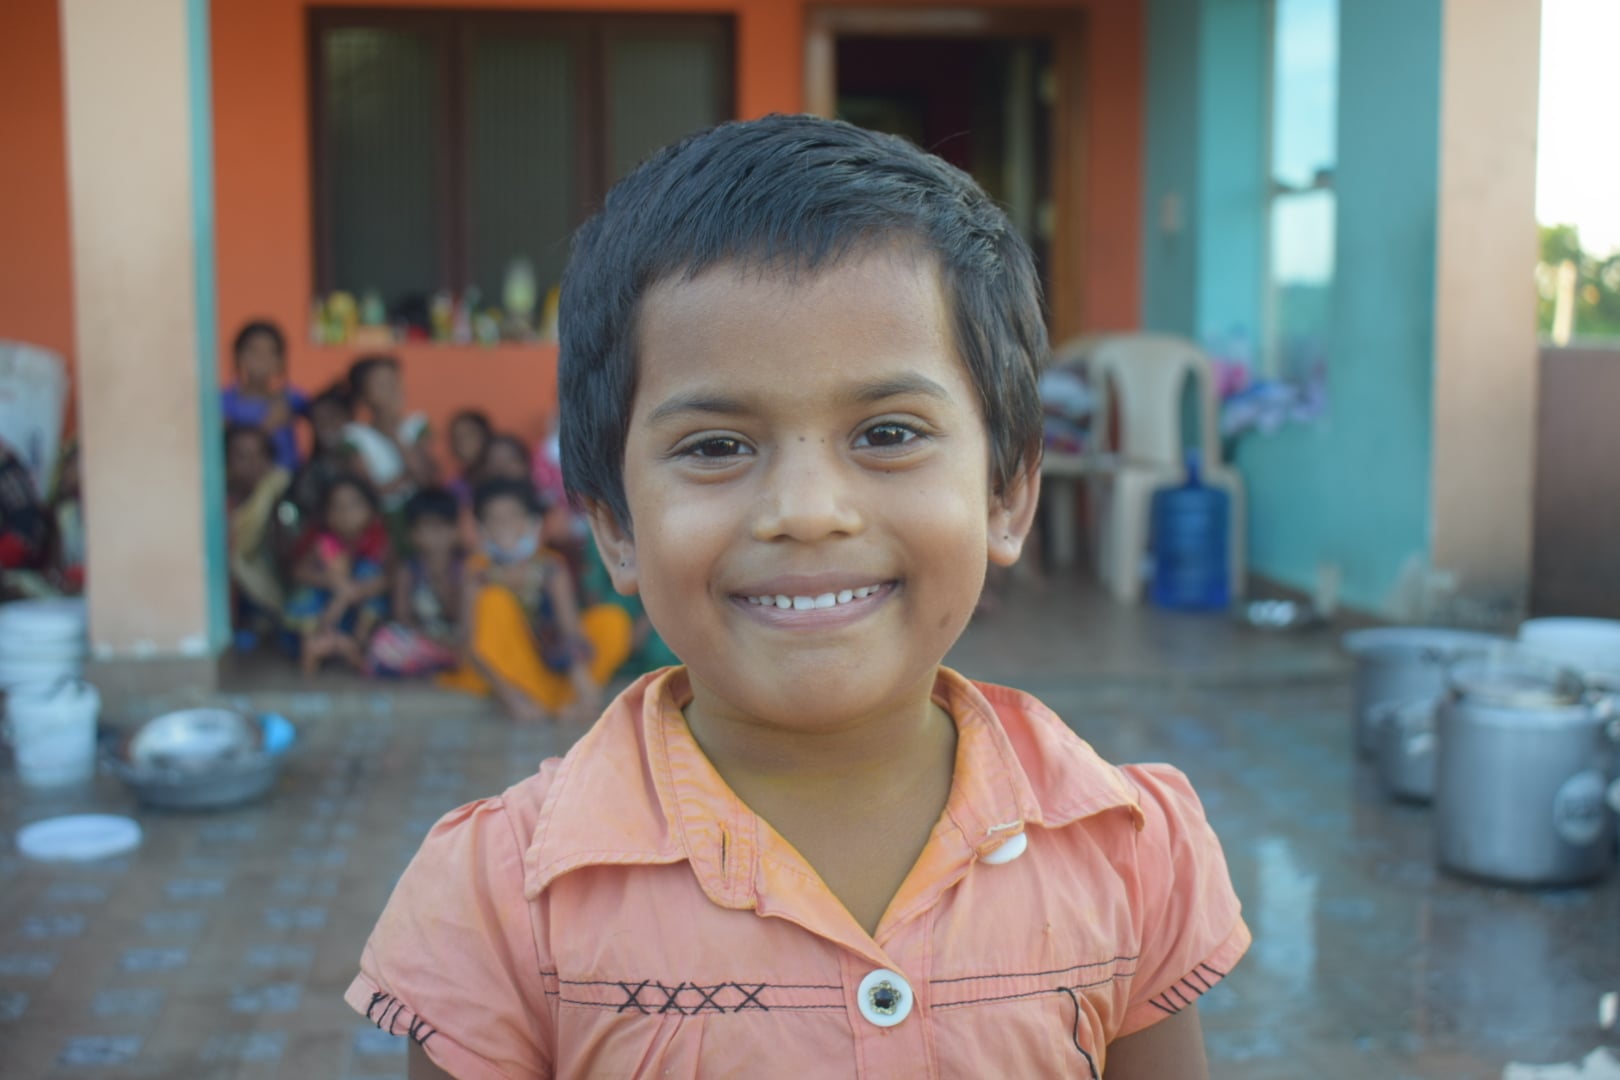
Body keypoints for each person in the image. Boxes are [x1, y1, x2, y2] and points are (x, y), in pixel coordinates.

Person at [349, 116, 1248, 1079]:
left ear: (1007, 493)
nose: (808, 512)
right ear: (614, 524)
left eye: (889, 433)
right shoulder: (502, 904)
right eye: (716, 446)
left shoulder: (1126, 851)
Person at [436, 477, 630, 723]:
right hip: (502, 676)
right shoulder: (477, 571)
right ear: (482, 527)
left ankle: (569, 700)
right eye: (494, 518)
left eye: (513, 516)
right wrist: (510, 699)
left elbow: (570, 630)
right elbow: (471, 646)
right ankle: (547, 701)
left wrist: (583, 683)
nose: (504, 525)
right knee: (494, 601)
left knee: (612, 620)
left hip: (548, 666)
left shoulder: (550, 566)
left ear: (531, 521)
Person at [285, 472, 390, 676]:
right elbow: (298, 572)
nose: (346, 514)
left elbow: (388, 579)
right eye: (337, 507)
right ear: (326, 514)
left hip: (353, 617)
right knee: (306, 594)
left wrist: (351, 592)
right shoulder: (322, 542)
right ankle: (313, 647)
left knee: (368, 572)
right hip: (321, 618)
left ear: (371, 509)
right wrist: (333, 581)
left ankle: (359, 644)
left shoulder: (379, 540)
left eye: (354, 505)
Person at [365, 487, 464, 678]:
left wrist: (441, 582)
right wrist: (427, 635)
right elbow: (402, 615)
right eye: (427, 529)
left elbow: (459, 615)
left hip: (454, 637)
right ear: (413, 535)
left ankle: (436, 662)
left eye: (441, 529)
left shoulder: (462, 569)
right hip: (421, 637)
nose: (435, 537)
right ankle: (436, 662)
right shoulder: (408, 569)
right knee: (384, 640)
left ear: (455, 532)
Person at [343, 354, 438, 517]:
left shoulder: (417, 425)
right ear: (363, 395)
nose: (392, 390)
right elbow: (370, 492)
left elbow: (428, 479)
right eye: (382, 384)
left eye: (395, 382)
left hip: (420, 519)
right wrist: (411, 475)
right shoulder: (354, 436)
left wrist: (395, 435)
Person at [223, 424, 291, 646]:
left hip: (260, 573)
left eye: (258, 455)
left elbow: (285, 549)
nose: (252, 464)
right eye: (241, 456)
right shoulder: (217, 496)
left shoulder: (274, 489)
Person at [221, 320, 307, 471]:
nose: (261, 359)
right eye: (253, 351)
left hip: (289, 480)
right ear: (238, 356)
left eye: (271, 352)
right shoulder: (222, 403)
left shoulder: (292, 399)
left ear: (281, 361)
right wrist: (265, 428)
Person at [446, 409, 493, 507]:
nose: (462, 443)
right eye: (456, 438)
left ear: (486, 436)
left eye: (468, 435)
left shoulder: (505, 478)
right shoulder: (453, 489)